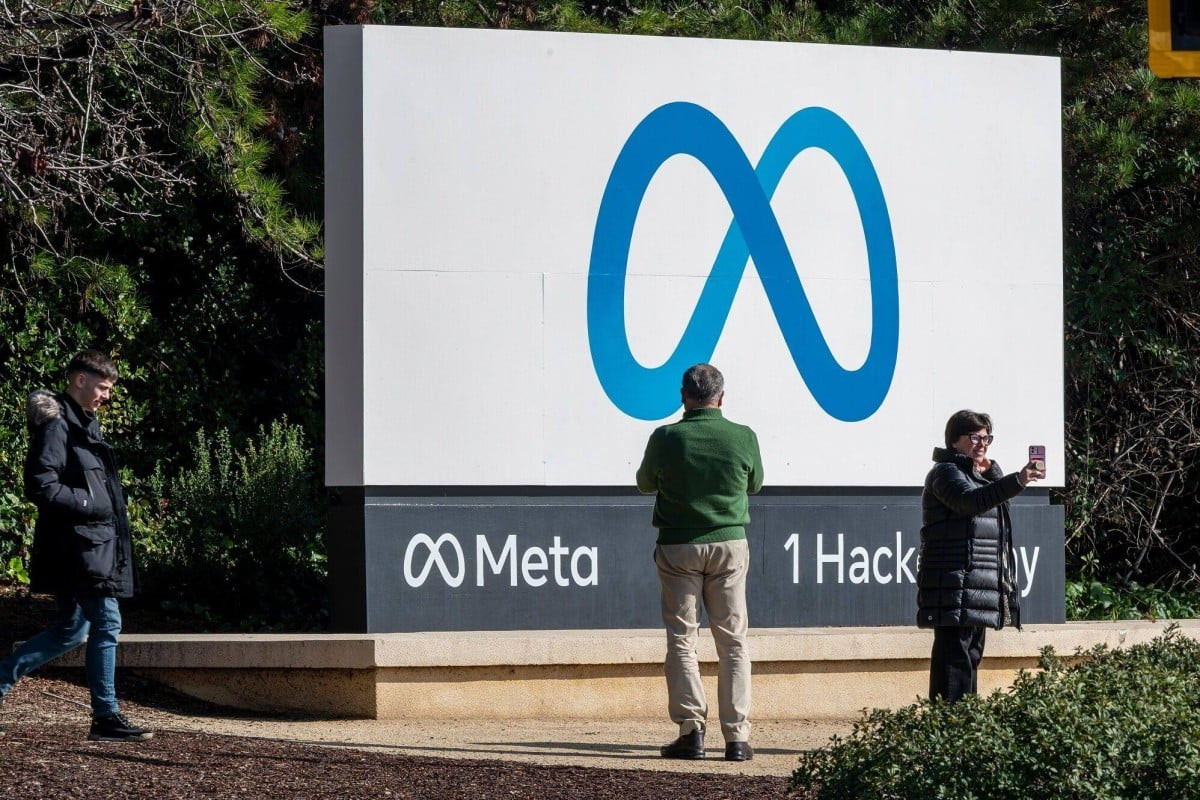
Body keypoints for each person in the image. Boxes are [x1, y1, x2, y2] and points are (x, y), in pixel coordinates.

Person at [0, 349, 152, 741]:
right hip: (78, 550)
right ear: (80, 380)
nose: (107, 396)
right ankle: (106, 716)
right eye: (103, 387)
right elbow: (41, 485)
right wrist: (90, 503)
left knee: (70, 630)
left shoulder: (84, 425)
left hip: (90, 547)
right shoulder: (58, 426)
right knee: (108, 622)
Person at [636, 363, 764, 762]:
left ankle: (691, 732)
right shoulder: (743, 436)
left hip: (678, 546)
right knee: (733, 641)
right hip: (729, 544)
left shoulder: (666, 437)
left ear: (683, 396)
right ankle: (737, 738)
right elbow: (755, 483)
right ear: (720, 397)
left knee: (682, 639)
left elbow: (644, 483)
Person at [917, 409, 1044, 703]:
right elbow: (969, 502)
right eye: (974, 437)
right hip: (953, 582)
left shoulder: (976, 477)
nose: (982, 444)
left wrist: (991, 472)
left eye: (986, 438)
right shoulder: (945, 472)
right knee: (954, 660)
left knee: (971, 656)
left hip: (976, 583)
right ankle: (947, 725)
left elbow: (997, 507)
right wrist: (1017, 480)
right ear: (954, 440)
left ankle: (966, 724)